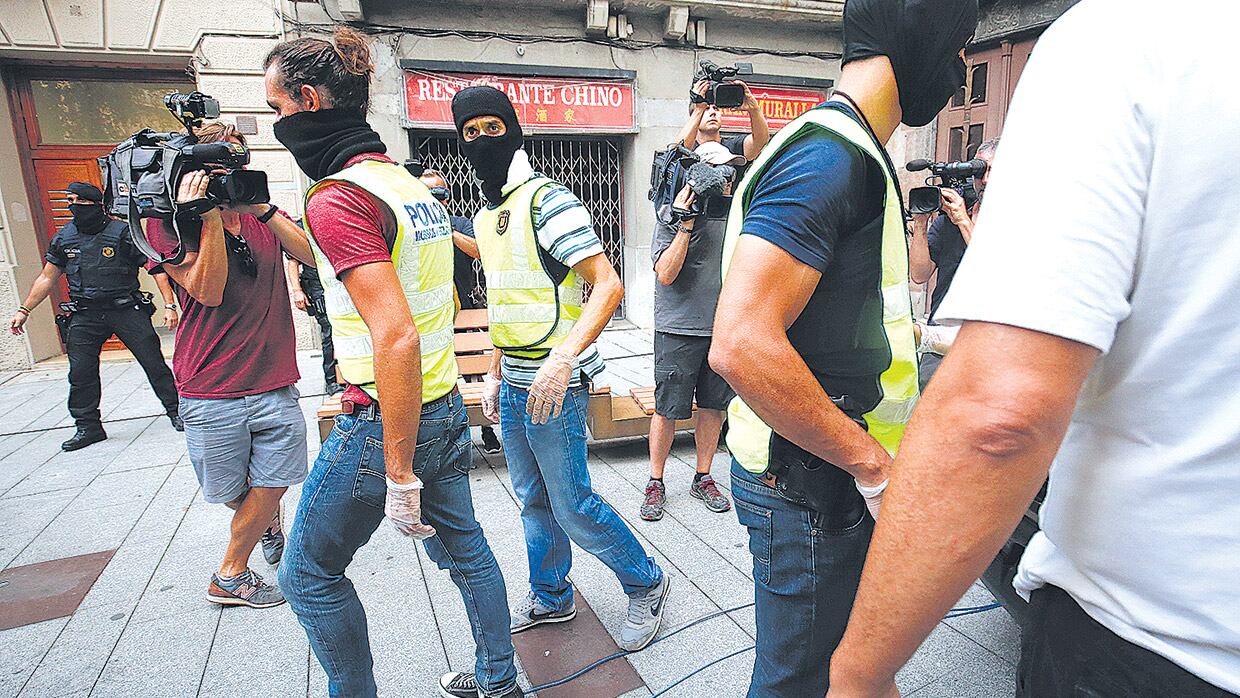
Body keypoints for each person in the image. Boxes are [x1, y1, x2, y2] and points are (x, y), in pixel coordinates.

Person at [827, 3, 1240, 697]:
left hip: (1151, 640)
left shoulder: (1129, 39)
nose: (960, 67)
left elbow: (999, 413)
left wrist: (858, 674)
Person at [706, 0, 976, 694]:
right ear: (919, 36)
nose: (959, 69)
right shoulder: (830, 155)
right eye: (958, 45)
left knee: (848, 670)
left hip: (820, 475)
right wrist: (873, 467)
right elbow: (739, 343)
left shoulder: (846, 148)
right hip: (811, 483)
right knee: (800, 682)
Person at [264, 29, 522, 698]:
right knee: (466, 551)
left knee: (307, 576)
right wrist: (264, 214)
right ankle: (501, 683)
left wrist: (398, 471)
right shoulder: (401, 184)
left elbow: (395, 334)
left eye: (279, 108)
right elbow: (343, 257)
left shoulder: (337, 196)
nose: (277, 123)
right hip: (440, 406)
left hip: (382, 421)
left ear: (310, 99)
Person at [452, 85, 670, 652]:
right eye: (469, 133)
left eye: (491, 128)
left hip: (557, 382)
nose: (480, 140)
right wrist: (496, 375)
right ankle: (552, 595)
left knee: (572, 503)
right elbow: (505, 297)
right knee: (532, 497)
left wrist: (564, 358)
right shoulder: (489, 214)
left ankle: (646, 581)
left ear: (514, 130)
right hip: (516, 379)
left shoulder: (549, 200)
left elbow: (608, 283)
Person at [148, 121, 312, 609]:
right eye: (215, 167)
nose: (229, 174)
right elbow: (208, 289)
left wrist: (258, 204)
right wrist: (208, 217)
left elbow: (312, 254)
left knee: (277, 477)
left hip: (274, 378)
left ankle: (229, 573)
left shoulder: (259, 212)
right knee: (230, 490)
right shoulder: (165, 225)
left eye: (236, 161)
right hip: (210, 385)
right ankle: (266, 524)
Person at [9, 182, 181, 451]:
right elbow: (47, 277)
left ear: (96, 204)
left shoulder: (122, 231)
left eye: (79, 200)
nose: (73, 205)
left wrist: (170, 306)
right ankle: (88, 427)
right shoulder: (64, 238)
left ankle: (176, 411)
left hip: (125, 309)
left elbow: (155, 267)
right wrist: (24, 309)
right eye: (69, 199)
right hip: (85, 313)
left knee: (154, 363)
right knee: (81, 373)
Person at [640, 141, 744, 522]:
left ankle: (703, 476)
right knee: (667, 409)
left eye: (730, 174)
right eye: (719, 174)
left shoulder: (738, 218)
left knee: (714, 407)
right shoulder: (670, 215)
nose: (726, 181)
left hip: (722, 328)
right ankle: (655, 481)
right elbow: (665, 274)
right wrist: (686, 221)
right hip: (679, 327)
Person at [419, 167, 502, 454]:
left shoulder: (460, 223)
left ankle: (486, 428)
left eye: (438, 194)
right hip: (429, 315)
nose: (433, 199)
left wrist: (446, 229)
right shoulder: (411, 228)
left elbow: (478, 250)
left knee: (474, 372)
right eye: (425, 193)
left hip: (462, 311)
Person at [907, 137, 997, 388]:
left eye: (993, 170)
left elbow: (994, 269)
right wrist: (921, 224)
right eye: (980, 171)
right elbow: (919, 273)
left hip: (986, 342)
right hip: (939, 342)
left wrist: (963, 222)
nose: (986, 179)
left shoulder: (1017, 218)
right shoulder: (952, 218)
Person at [285, 254, 344, 396]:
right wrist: (297, 291)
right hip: (317, 286)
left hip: (337, 282)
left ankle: (347, 378)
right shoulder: (304, 230)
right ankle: (332, 382)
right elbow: (293, 262)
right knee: (329, 332)